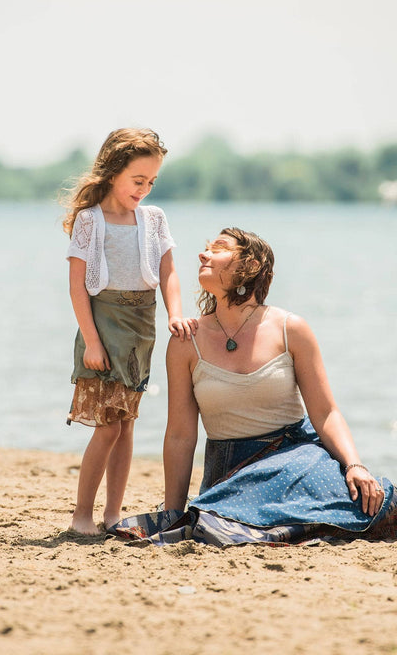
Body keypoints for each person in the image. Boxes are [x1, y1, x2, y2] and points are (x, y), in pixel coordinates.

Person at [110, 227, 396, 546]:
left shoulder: (291, 329)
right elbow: (180, 434)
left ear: (251, 264)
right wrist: (174, 510)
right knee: (208, 525)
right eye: (207, 248)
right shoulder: (186, 342)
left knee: (378, 502)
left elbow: (326, 412)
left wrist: (354, 465)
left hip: (294, 454)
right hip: (231, 467)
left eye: (218, 248)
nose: (203, 254)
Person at [62, 128, 197, 535]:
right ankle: (82, 515)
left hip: (141, 329)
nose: (145, 189)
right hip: (103, 328)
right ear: (113, 172)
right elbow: (77, 286)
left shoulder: (153, 219)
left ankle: (112, 515)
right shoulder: (90, 221)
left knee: (126, 425)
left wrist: (175, 313)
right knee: (109, 426)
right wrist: (91, 340)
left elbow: (168, 271)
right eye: (138, 181)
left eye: (151, 182)